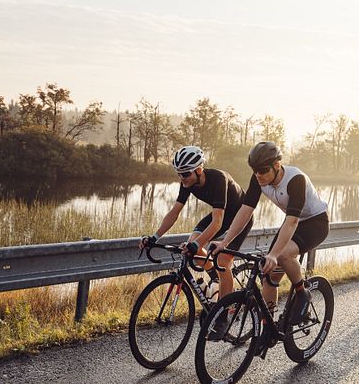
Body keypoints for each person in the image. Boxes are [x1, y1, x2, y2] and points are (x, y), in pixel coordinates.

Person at [211, 141, 329, 331]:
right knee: (268, 274)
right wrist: (225, 242)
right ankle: (268, 327)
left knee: (282, 255)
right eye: (255, 170)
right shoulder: (259, 178)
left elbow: (292, 222)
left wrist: (274, 254)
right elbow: (245, 211)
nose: (258, 174)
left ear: (277, 165)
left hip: (315, 223)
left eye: (263, 170)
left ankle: (302, 293)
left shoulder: (295, 179)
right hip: (292, 221)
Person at [139, 145, 253, 304]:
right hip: (221, 215)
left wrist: (195, 244)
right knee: (193, 247)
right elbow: (174, 212)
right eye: (178, 174)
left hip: (240, 217)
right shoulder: (187, 183)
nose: (182, 177)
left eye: (185, 173)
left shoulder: (218, 179)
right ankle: (215, 279)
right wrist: (155, 237)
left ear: (199, 169)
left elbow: (217, 222)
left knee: (223, 262)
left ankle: (223, 312)